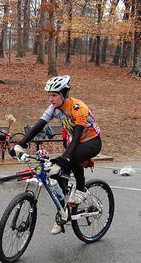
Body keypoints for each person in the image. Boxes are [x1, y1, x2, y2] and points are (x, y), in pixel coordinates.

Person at [10, 75, 102, 235]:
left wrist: (64, 159)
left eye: (54, 95)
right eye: (49, 95)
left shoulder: (78, 108)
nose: (50, 99)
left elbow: (76, 141)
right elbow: (37, 127)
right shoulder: (53, 109)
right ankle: (62, 213)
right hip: (74, 142)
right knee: (57, 177)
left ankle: (81, 188)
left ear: (64, 94)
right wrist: (20, 143)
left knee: (70, 158)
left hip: (91, 141)